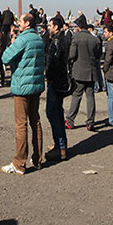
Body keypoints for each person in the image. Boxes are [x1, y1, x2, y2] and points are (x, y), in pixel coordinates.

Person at [0, 13, 45, 175]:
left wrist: (12, 42)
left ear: (26, 24)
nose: (18, 23)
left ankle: (19, 163)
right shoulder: (39, 39)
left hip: (22, 86)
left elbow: (5, 57)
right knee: (36, 121)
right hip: (36, 85)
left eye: (20, 21)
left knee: (21, 124)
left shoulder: (22, 39)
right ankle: (38, 158)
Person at [66, 15, 101, 131]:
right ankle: (90, 122)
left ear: (79, 27)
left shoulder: (76, 38)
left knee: (76, 96)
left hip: (79, 71)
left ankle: (70, 120)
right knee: (90, 97)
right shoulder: (94, 39)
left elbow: (72, 55)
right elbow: (97, 55)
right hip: (91, 71)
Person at [43, 15, 70, 161]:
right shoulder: (63, 39)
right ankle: (60, 145)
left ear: (56, 27)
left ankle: (60, 147)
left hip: (55, 82)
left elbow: (53, 62)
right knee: (57, 112)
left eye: (50, 26)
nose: (49, 28)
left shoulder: (57, 42)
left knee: (52, 112)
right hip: (61, 81)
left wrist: (48, 74)